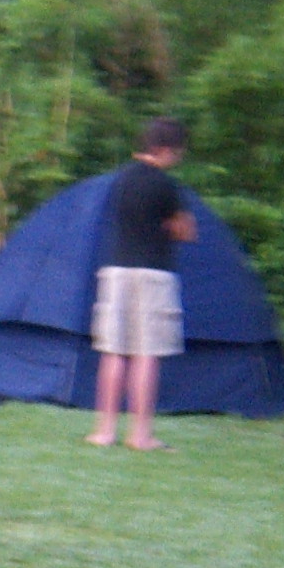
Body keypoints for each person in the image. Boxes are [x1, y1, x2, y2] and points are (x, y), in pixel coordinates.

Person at [85, 118, 198, 449]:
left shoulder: (119, 180)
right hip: (153, 275)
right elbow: (186, 232)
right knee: (146, 354)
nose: (178, 158)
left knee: (113, 352)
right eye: (177, 152)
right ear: (165, 149)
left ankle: (104, 431)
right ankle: (140, 435)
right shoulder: (166, 186)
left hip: (116, 271)